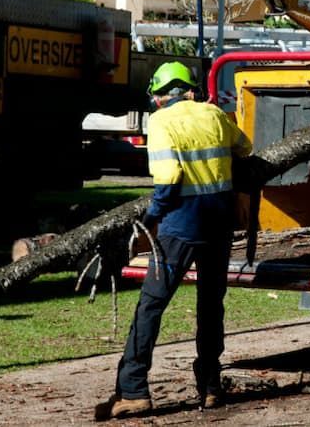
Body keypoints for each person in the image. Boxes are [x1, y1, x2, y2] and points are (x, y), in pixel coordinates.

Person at [95, 61, 252, 420]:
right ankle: (211, 387)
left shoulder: (162, 122)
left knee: (151, 305)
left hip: (179, 228)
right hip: (219, 227)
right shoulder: (214, 114)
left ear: (162, 95)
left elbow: (167, 180)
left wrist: (148, 223)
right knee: (211, 307)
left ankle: (134, 390)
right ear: (190, 88)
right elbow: (245, 147)